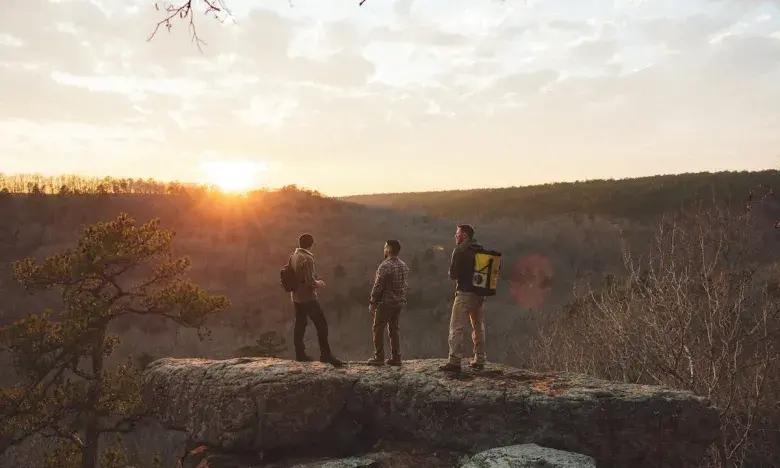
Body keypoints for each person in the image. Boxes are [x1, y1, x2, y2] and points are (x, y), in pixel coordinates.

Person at [290, 233, 344, 367]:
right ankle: (325, 354)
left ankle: (300, 354)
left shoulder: (294, 256)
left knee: (300, 324)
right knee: (322, 324)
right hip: (308, 297)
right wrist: (319, 283)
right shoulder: (307, 258)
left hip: (296, 296)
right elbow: (309, 282)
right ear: (310, 244)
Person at [439, 224, 487, 372]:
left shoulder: (459, 251)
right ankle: (479, 358)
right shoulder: (480, 248)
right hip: (479, 294)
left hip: (464, 293)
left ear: (465, 235)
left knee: (456, 326)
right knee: (478, 326)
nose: (455, 236)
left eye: (457, 233)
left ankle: (454, 360)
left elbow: (453, 275)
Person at [366, 240, 409, 366]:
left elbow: (378, 286)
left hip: (386, 303)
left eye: (385, 247)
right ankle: (396, 357)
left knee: (378, 328)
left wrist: (373, 301)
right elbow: (404, 286)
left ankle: (379, 357)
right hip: (398, 302)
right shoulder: (403, 265)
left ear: (389, 249)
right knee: (394, 329)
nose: (384, 249)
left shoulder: (385, 266)